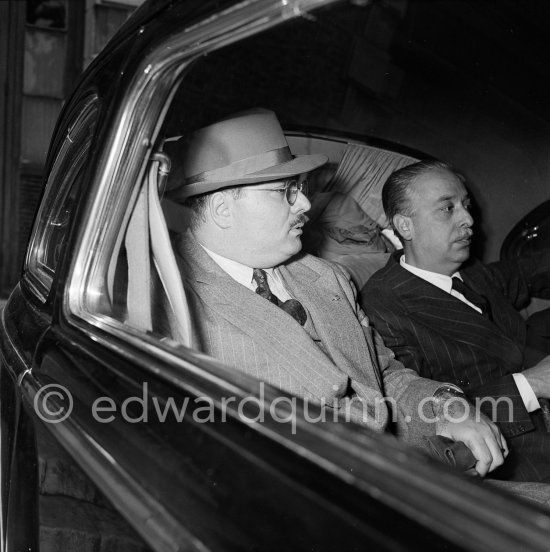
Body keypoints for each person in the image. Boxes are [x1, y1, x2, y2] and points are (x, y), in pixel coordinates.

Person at [166, 108, 507, 479]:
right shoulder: (174, 306)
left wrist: (444, 405)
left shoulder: (327, 277)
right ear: (222, 209)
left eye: (301, 188)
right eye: (286, 192)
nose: (306, 205)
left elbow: (382, 374)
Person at [360, 159, 550, 483]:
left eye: (466, 205)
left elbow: (521, 272)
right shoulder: (384, 307)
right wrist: (531, 385)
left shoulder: (469, 270)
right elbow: (421, 415)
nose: (468, 220)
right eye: (448, 209)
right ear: (405, 226)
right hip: (509, 454)